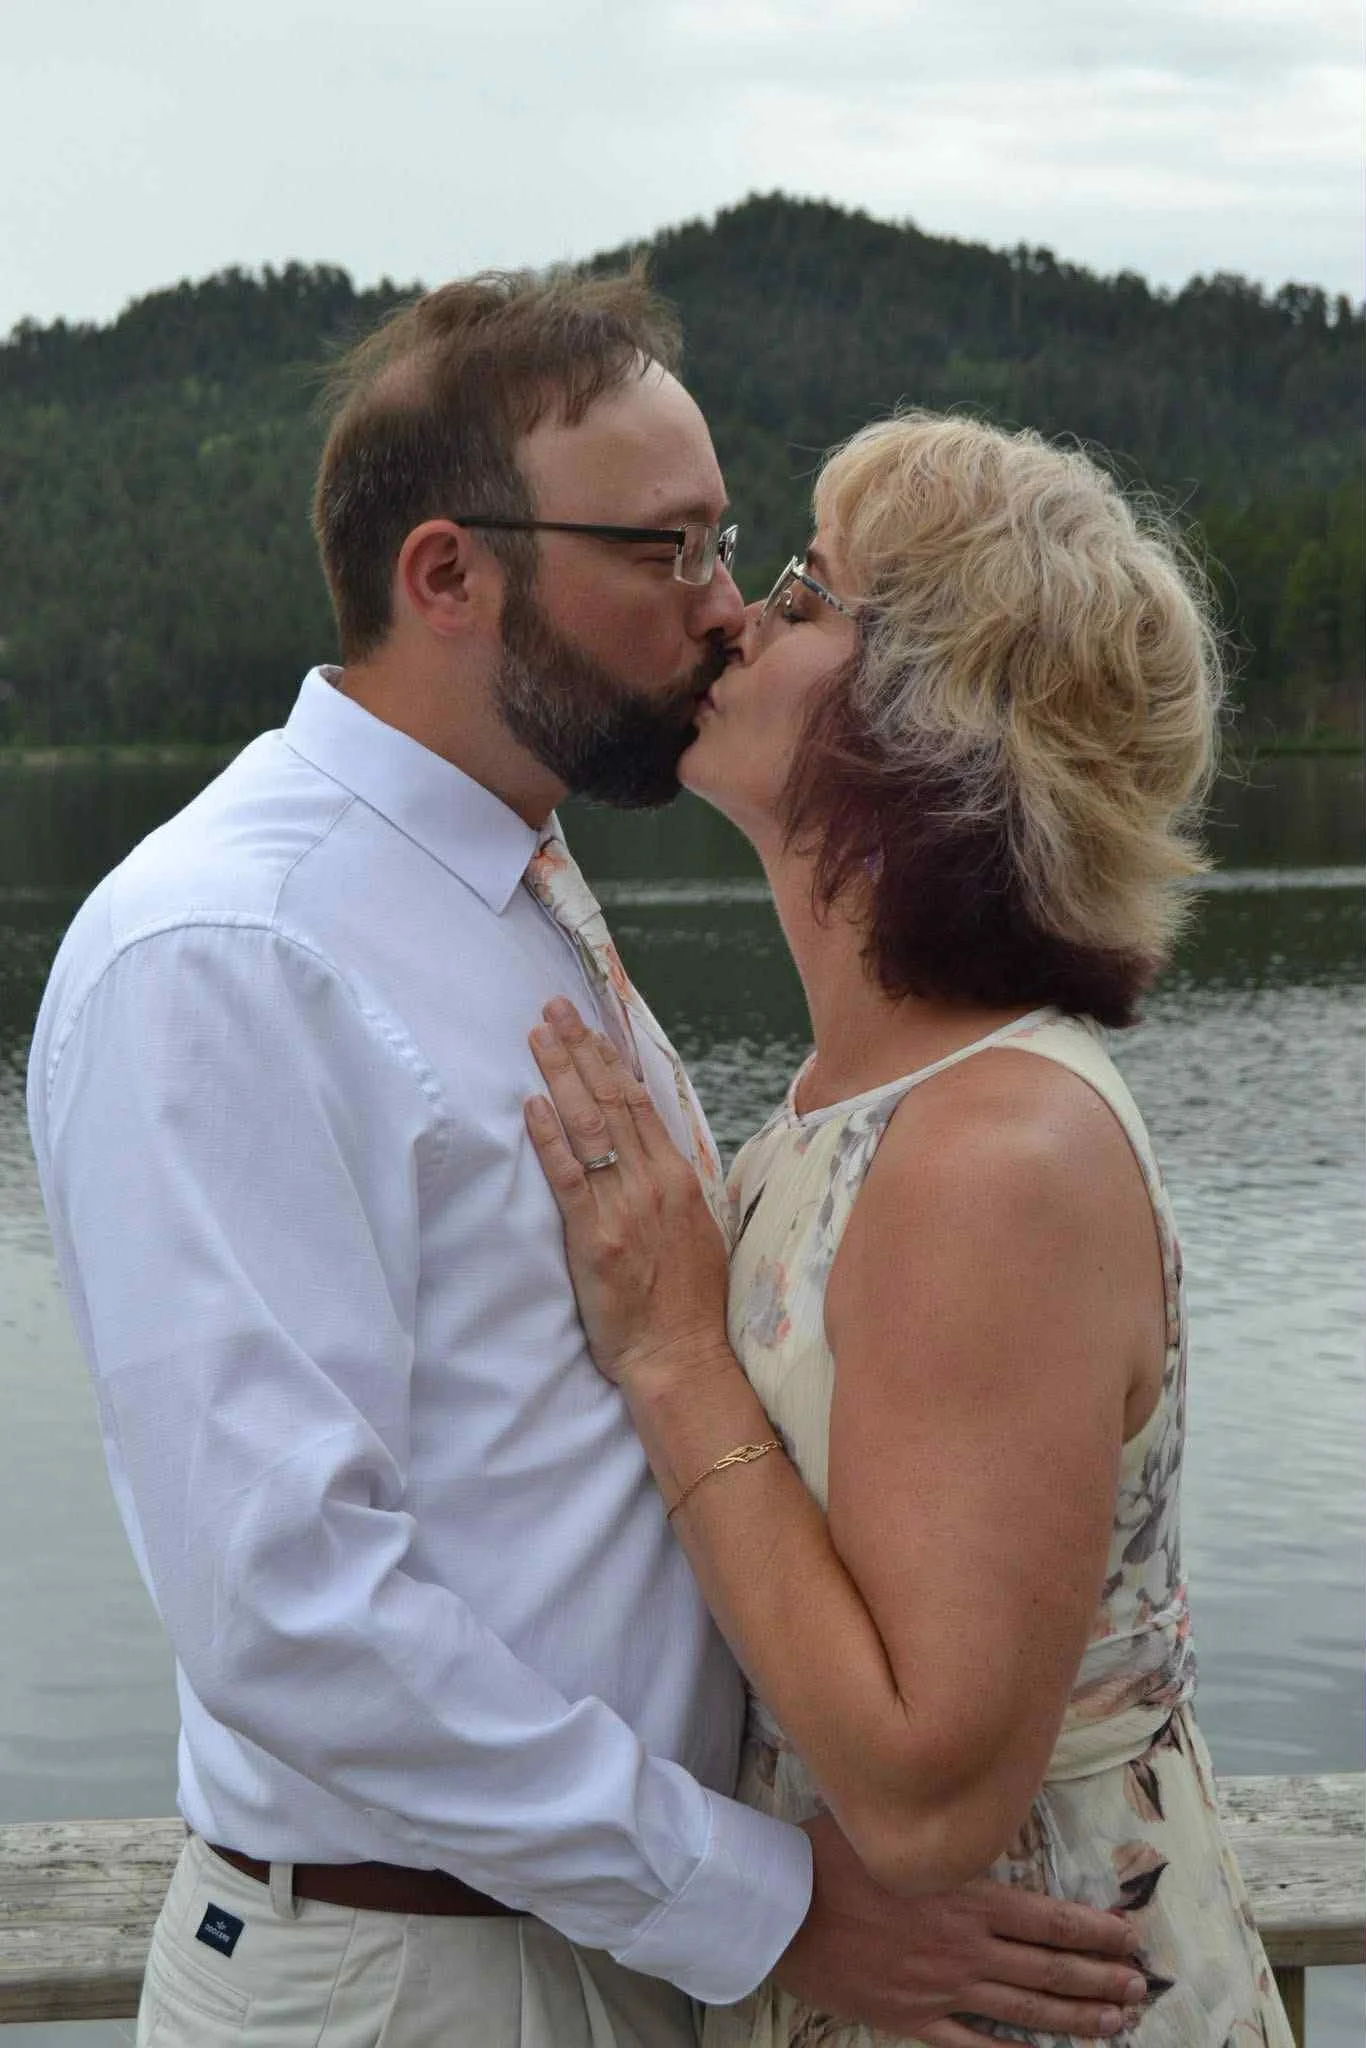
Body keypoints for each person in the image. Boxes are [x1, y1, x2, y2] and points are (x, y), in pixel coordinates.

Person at [25, 278, 1149, 2046]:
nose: (722, 606)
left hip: (601, 1949)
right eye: (664, 548)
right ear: (447, 575)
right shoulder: (231, 950)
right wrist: (763, 1904)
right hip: (417, 1982)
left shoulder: (501, 887)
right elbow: (285, 1611)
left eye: (728, 543)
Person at [524, 412, 1294, 2046]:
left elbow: (930, 1798)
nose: (737, 620)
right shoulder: (853, 1101)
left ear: (930, 718)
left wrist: (672, 1354)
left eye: (806, 595)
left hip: (1019, 1999)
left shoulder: (991, 1157)